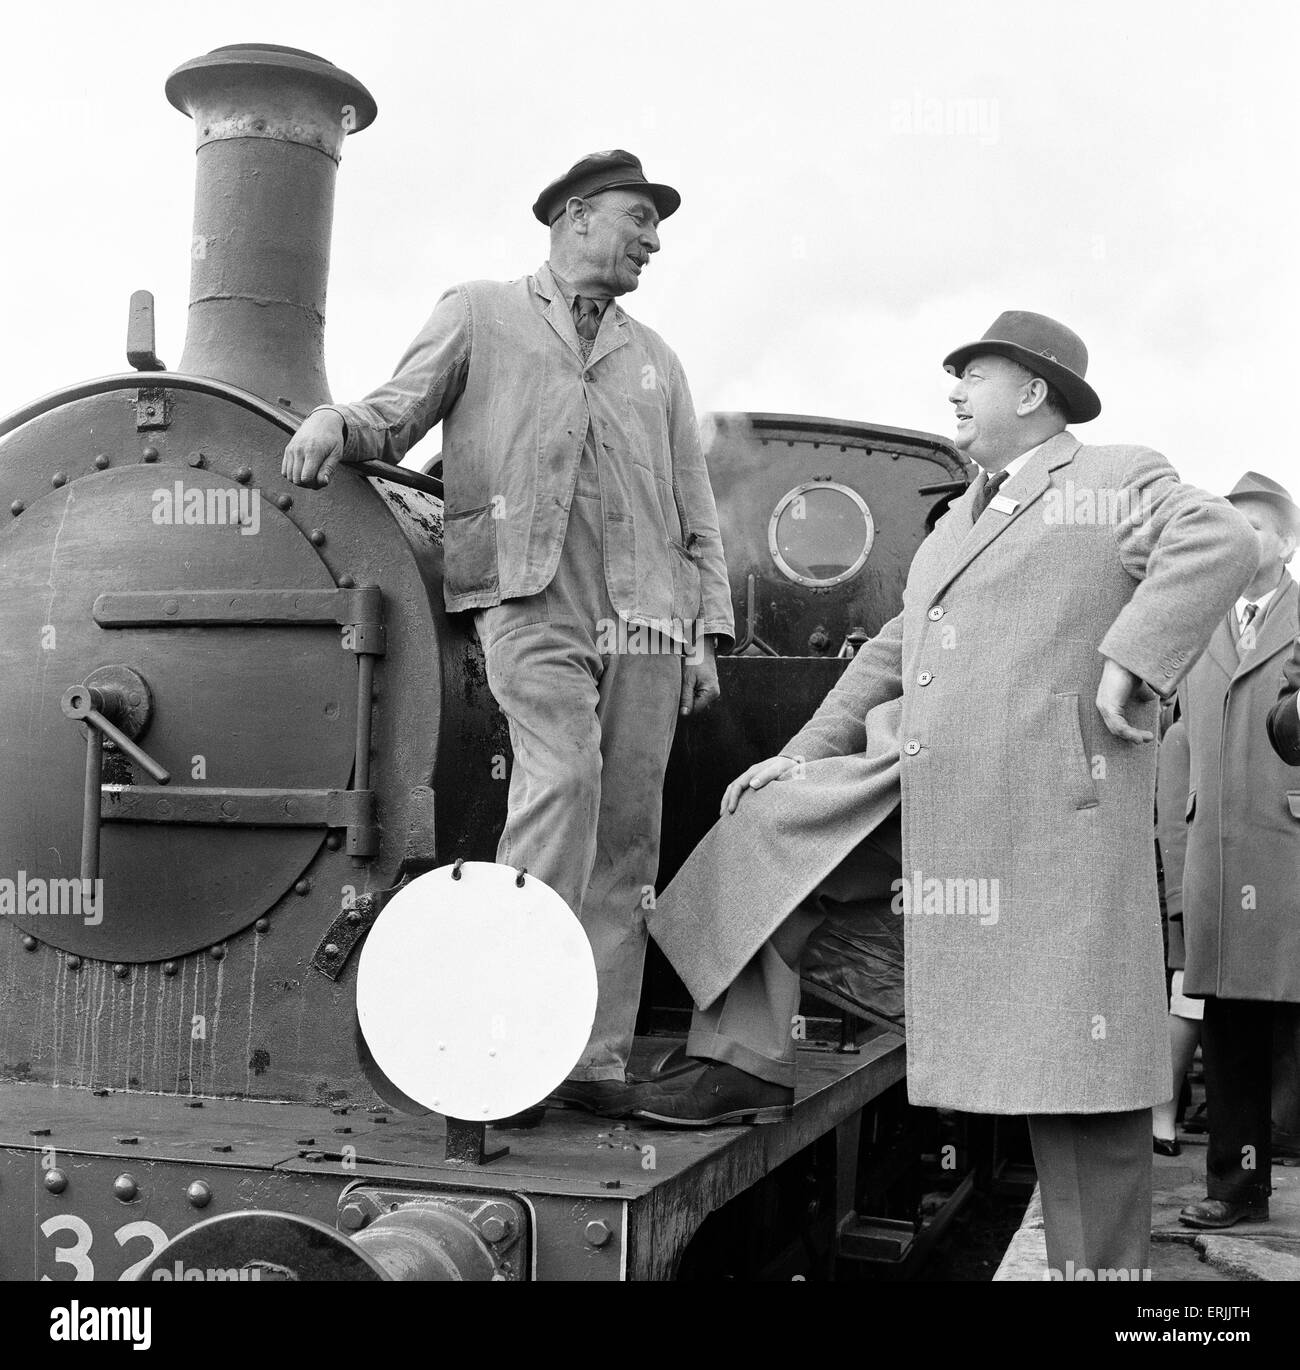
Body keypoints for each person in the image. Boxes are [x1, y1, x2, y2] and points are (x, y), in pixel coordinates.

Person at [633, 311, 1257, 1281]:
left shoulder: (1112, 475)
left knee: (1078, 1079)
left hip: (1044, 820)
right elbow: (887, 657)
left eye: (973, 371)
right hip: (919, 794)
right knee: (761, 826)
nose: (955, 386)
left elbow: (1216, 536)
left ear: (1033, 392)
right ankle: (741, 1060)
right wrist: (798, 757)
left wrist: (1133, 661)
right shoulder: (956, 521)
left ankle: (1102, 1275)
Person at [281, 150, 734, 1116]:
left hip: (651, 618)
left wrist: (705, 632)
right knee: (561, 783)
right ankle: (506, 1036)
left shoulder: (656, 359)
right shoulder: (479, 310)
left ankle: (593, 1058)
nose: (653, 242)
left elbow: (695, 509)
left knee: (628, 835)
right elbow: (399, 413)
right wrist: (334, 420)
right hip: (530, 600)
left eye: (656, 228)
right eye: (637, 219)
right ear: (574, 217)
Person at [1177, 472, 1300, 1229]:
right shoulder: (1193, 618)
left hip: (1289, 850)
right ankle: (1235, 1188)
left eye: (1254, 526)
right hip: (1217, 858)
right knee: (1229, 1032)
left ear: (1286, 542)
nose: (1239, 538)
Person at [1152, 715, 1200, 1156]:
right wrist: (1183, 900)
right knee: (1188, 1003)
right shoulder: (1183, 736)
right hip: (1199, 893)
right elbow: (1173, 827)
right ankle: (1161, 1119)